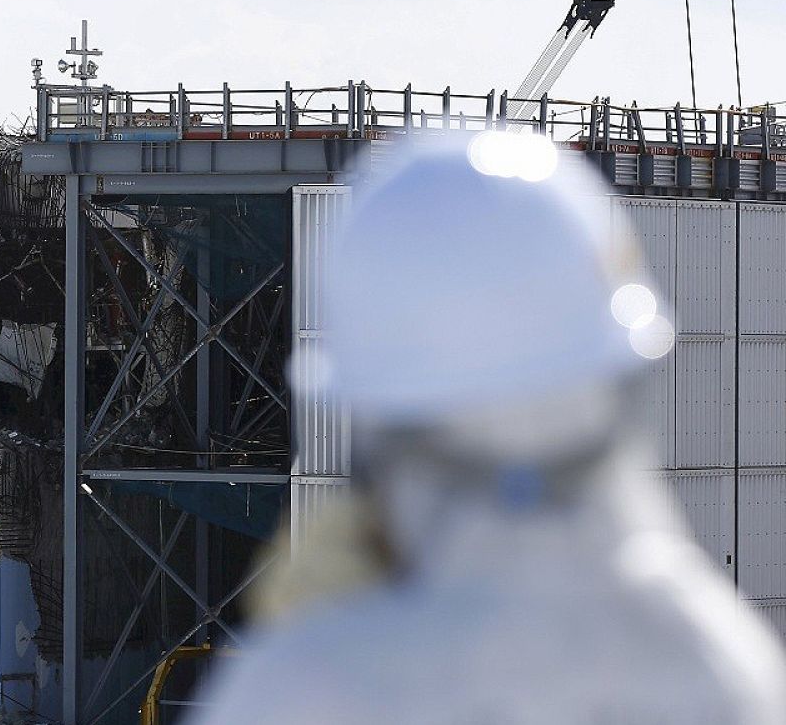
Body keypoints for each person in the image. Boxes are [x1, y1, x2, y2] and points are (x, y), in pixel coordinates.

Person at [190, 131, 786, 724]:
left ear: (375, 419)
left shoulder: (306, 688)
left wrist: (309, 641)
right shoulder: (724, 668)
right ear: (624, 383)